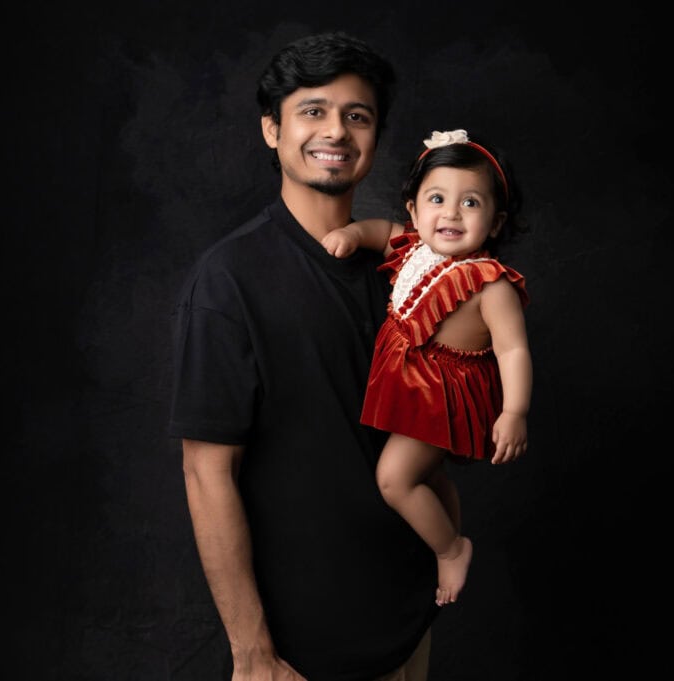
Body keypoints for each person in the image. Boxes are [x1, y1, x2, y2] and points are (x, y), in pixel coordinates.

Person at [169, 32, 438, 681]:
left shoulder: (405, 272)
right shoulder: (230, 280)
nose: (337, 131)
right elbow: (208, 474)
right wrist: (253, 650)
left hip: (408, 625)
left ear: (375, 137)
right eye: (313, 110)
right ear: (272, 130)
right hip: (298, 656)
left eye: (358, 115)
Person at [321, 128, 532, 607]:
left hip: (444, 393)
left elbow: (513, 351)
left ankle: (451, 547)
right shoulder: (415, 246)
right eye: (437, 198)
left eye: (471, 203)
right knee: (431, 477)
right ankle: (445, 535)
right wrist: (353, 234)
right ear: (415, 209)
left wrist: (514, 411)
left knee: (394, 479)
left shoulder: (490, 284)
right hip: (410, 382)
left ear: (496, 222)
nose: (451, 213)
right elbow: (380, 231)